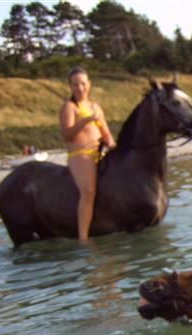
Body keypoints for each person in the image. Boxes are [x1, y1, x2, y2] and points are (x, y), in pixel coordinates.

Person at [59, 66, 116, 241]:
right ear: (70, 86)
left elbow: (106, 133)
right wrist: (84, 121)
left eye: (83, 84)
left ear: (89, 84)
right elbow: (67, 135)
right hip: (80, 153)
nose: (80, 88)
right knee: (88, 191)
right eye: (75, 85)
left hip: (99, 151)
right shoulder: (69, 107)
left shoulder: (95, 106)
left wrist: (114, 147)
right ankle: (83, 237)